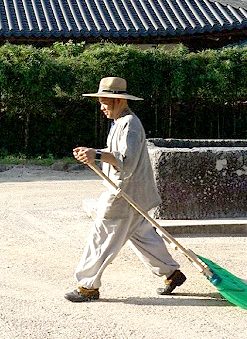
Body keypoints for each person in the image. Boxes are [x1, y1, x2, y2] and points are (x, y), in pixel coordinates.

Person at [65, 76, 186, 302]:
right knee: (143, 236)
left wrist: (96, 154)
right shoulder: (122, 122)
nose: (101, 108)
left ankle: (87, 286)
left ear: (119, 100)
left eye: (104, 102)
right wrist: (93, 152)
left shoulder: (129, 124)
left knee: (103, 236)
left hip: (123, 192)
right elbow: (116, 152)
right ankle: (171, 273)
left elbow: (125, 160)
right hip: (134, 193)